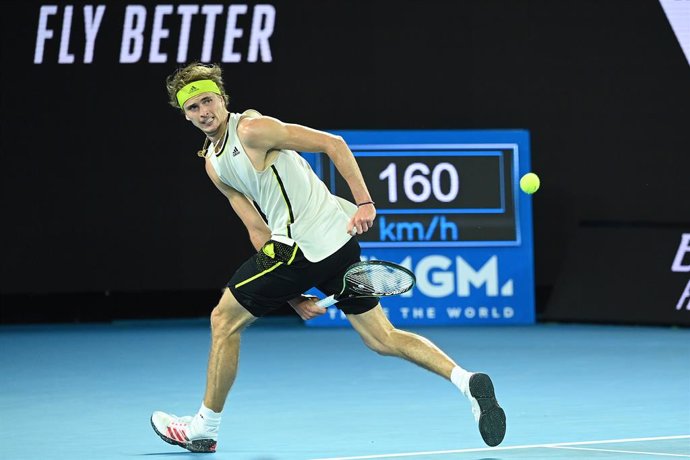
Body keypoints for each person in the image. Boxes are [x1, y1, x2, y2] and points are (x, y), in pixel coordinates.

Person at [150, 62, 506, 453]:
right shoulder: (214, 165)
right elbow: (257, 229)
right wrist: (291, 296)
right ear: (183, 114)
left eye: (208, 101)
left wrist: (365, 202)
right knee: (382, 338)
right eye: (193, 108)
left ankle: (204, 427)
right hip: (331, 245)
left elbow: (333, 143)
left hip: (304, 247)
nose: (204, 113)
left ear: (223, 99)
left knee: (223, 320)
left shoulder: (253, 130)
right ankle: (466, 381)